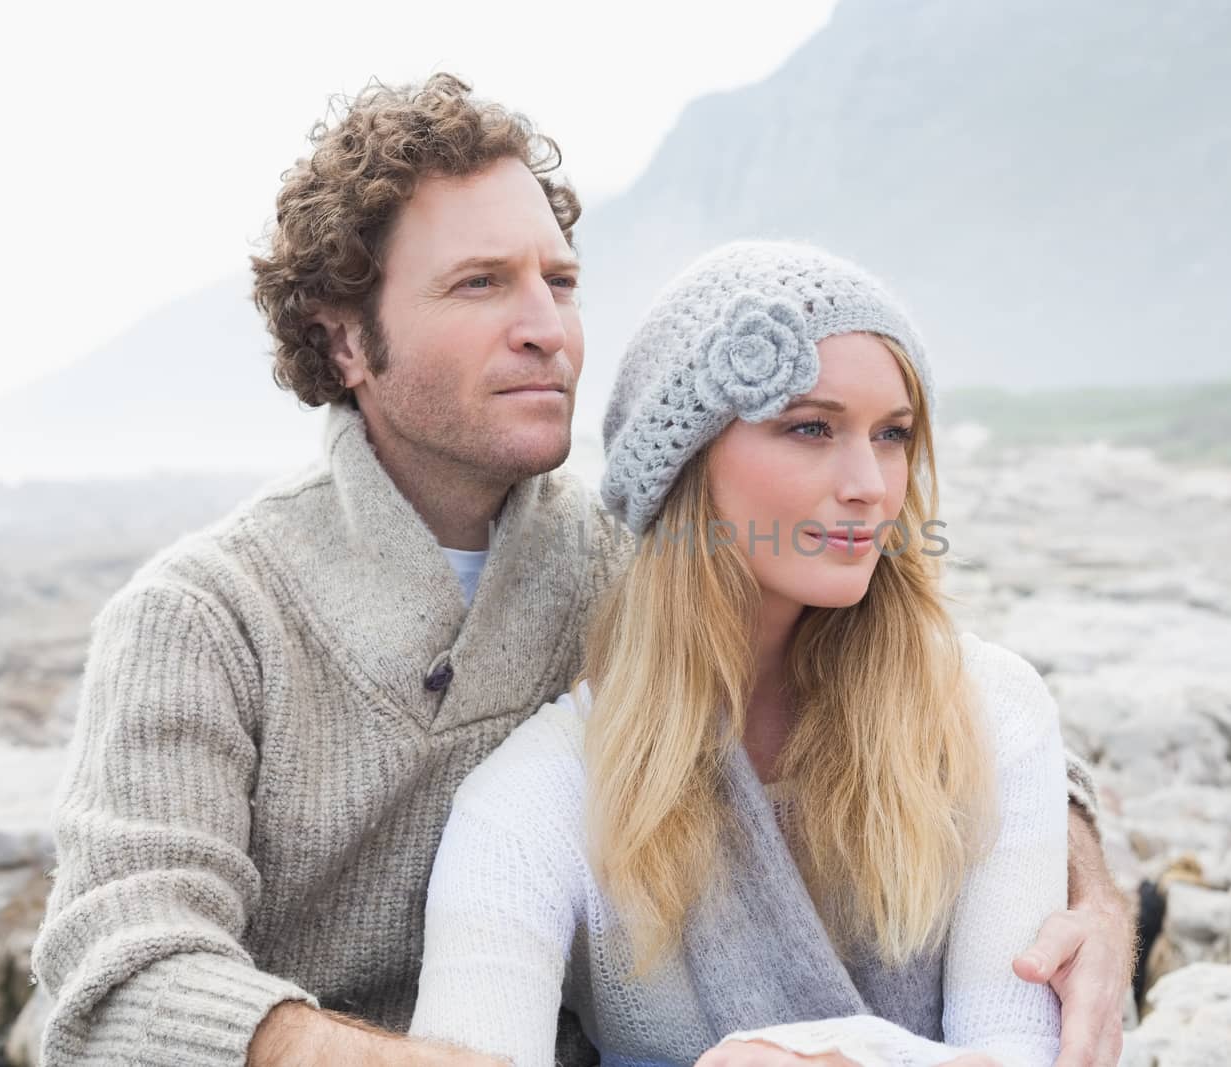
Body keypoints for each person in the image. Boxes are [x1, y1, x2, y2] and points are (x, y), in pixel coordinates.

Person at [29, 75, 1133, 1067]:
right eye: (480, 285)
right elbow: (121, 976)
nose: (545, 327)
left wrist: (1089, 894)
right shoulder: (207, 614)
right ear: (346, 342)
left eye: (559, 281)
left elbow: (959, 705)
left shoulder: (645, 558)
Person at [409, 241, 1077, 1067]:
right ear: (686, 465)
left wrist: (830, 1058)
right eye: (810, 427)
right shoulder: (538, 798)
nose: (870, 482)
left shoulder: (989, 712)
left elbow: (1027, 1049)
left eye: (893, 434)